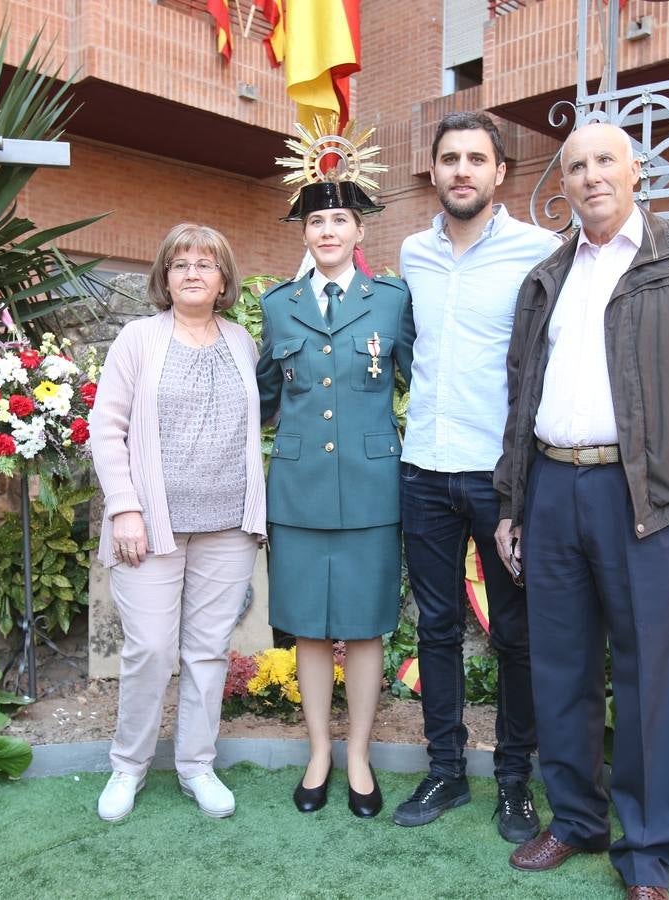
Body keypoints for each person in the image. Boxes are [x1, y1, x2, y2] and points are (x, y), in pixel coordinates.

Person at [494, 123, 669, 899]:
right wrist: (514, 500)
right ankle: (576, 819)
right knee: (561, 669)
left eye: (604, 161)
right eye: (575, 166)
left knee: (650, 677)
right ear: (565, 183)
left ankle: (648, 853)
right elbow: (521, 399)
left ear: (635, 170)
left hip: (642, 495)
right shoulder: (548, 273)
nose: (589, 177)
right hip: (551, 488)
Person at [393, 112, 561, 841]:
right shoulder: (411, 253)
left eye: (476, 159)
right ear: (433, 171)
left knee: (514, 633)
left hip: (500, 476)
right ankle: (446, 770)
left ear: (500, 173)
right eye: (448, 158)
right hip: (423, 470)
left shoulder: (539, 251)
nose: (461, 170)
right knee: (435, 626)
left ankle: (515, 781)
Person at [88, 223, 266, 822]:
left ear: (223, 281)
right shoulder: (138, 339)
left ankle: (196, 765)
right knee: (149, 649)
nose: (193, 272)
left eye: (206, 264)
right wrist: (126, 508)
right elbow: (105, 428)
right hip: (152, 525)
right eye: (181, 263)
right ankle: (127, 767)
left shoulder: (242, 342)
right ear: (165, 277)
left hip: (228, 524)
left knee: (209, 650)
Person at [257, 151, 414, 819]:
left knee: (366, 627)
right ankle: (320, 750)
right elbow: (262, 397)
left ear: (359, 232)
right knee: (311, 631)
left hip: (373, 490)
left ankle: (359, 755)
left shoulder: (393, 301)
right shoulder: (278, 306)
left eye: (339, 219)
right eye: (316, 220)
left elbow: (421, 384)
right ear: (304, 234)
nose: (327, 231)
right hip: (298, 491)